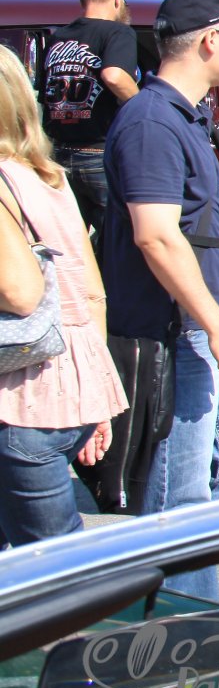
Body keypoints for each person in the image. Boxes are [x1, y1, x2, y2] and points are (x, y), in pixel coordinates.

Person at [102, 0, 219, 599]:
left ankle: (177, 604)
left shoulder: (184, 115)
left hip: (198, 325)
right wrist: (217, 324)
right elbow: (155, 235)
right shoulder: (152, 121)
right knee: (180, 497)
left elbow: (186, 224)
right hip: (177, 332)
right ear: (208, 41)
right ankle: (181, 629)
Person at [0, 45, 120, 547]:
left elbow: (21, 291)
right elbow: (91, 291)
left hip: (20, 398)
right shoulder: (45, 177)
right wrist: (96, 401)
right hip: (66, 381)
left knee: (54, 569)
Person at [37, 0, 141, 240]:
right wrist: (143, 106)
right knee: (118, 242)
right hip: (98, 151)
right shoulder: (118, 32)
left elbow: (44, 94)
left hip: (59, 152)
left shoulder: (59, 37)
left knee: (69, 243)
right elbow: (114, 76)